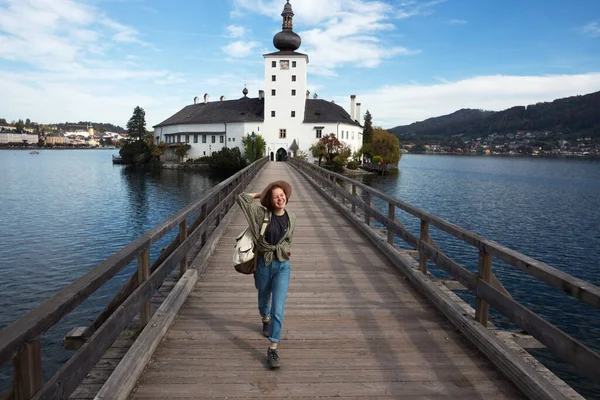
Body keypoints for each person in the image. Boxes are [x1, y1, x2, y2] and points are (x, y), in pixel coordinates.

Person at [236, 180, 296, 369]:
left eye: (282, 195)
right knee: (263, 299)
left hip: (282, 266)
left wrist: (285, 250)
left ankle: (273, 348)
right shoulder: (260, 214)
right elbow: (241, 198)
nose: (280, 198)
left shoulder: (292, 217)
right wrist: (259, 195)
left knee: (278, 308)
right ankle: (265, 318)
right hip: (263, 263)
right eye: (275, 196)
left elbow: (287, 239)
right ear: (269, 199)